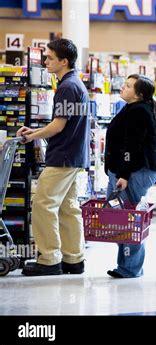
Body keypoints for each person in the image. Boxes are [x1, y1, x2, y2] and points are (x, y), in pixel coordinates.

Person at [16, 39, 90, 276]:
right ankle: (73, 259)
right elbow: (64, 123)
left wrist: (31, 135)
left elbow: (58, 126)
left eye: (49, 57)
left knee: (43, 204)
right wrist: (35, 132)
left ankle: (48, 259)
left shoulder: (68, 87)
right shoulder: (76, 84)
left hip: (63, 156)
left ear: (64, 61)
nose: (45, 61)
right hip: (74, 155)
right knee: (68, 207)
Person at [104, 74, 156, 278]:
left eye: (128, 86)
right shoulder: (132, 108)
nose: (123, 88)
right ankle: (126, 266)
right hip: (125, 170)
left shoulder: (139, 112)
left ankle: (130, 268)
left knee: (129, 219)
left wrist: (124, 174)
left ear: (139, 94)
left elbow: (132, 147)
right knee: (121, 218)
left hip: (135, 171)